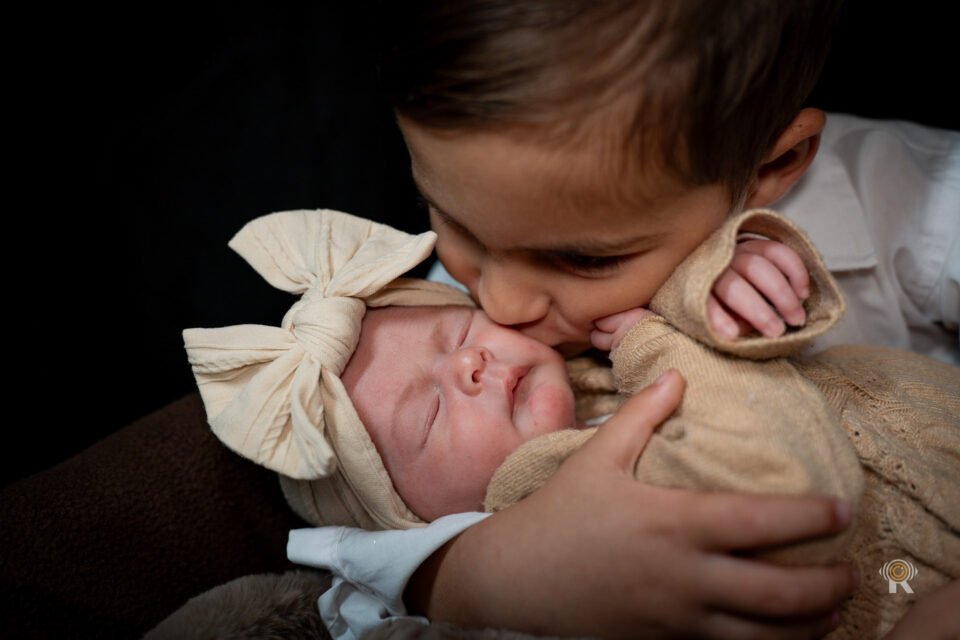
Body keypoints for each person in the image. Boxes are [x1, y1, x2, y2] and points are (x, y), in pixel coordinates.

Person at [182, 207, 957, 640]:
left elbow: (663, 271)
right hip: (904, 574)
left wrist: (725, 278)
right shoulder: (549, 503)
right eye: (430, 414)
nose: (472, 368)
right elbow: (789, 486)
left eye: (458, 336)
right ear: (420, 520)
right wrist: (661, 342)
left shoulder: (581, 343)